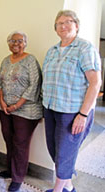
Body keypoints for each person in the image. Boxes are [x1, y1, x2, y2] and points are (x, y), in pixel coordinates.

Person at [42, 10, 101, 192]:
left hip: (72, 112)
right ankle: (69, 186)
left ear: (76, 25)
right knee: (54, 150)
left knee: (64, 154)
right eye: (59, 23)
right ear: (55, 28)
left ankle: (58, 189)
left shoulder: (85, 48)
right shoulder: (52, 51)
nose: (63, 26)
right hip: (50, 108)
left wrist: (83, 114)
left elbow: (95, 82)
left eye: (68, 22)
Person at [0, 31, 43, 192]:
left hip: (26, 111)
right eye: (12, 40)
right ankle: (10, 169)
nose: (15, 43)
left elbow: (34, 85)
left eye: (20, 41)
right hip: (5, 109)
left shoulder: (30, 60)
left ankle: (18, 178)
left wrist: (17, 105)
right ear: (8, 43)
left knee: (20, 143)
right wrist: (2, 101)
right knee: (9, 140)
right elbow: (0, 83)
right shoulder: (5, 60)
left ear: (25, 43)